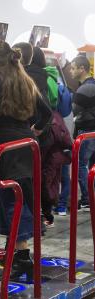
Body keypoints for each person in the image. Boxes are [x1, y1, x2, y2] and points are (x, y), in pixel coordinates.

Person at [0, 41, 52, 281]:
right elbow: (47, 114)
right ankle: (14, 251)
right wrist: (35, 131)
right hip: (26, 144)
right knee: (20, 196)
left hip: (3, 146)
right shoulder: (26, 81)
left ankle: (22, 257)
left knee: (10, 201)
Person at [70, 55, 95, 211]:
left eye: (73, 68)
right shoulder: (90, 85)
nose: (71, 71)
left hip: (87, 131)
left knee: (81, 165)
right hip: (91, 131)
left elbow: (74, 110)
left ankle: (87, 199)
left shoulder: (85, 88)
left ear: (82, 69)